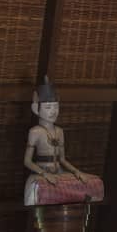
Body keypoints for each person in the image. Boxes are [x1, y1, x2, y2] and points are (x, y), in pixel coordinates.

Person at [22, 76, 103, 205]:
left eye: (55, 107)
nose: (53, 112)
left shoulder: (59, 131)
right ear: (36, 109)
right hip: (42, 175)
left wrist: (77, 172)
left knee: (92, 182)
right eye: (48, 108)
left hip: (59, 174)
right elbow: (27, 161)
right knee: (41, 189)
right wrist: (44, 174)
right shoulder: (35, 132)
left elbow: (62, 160)